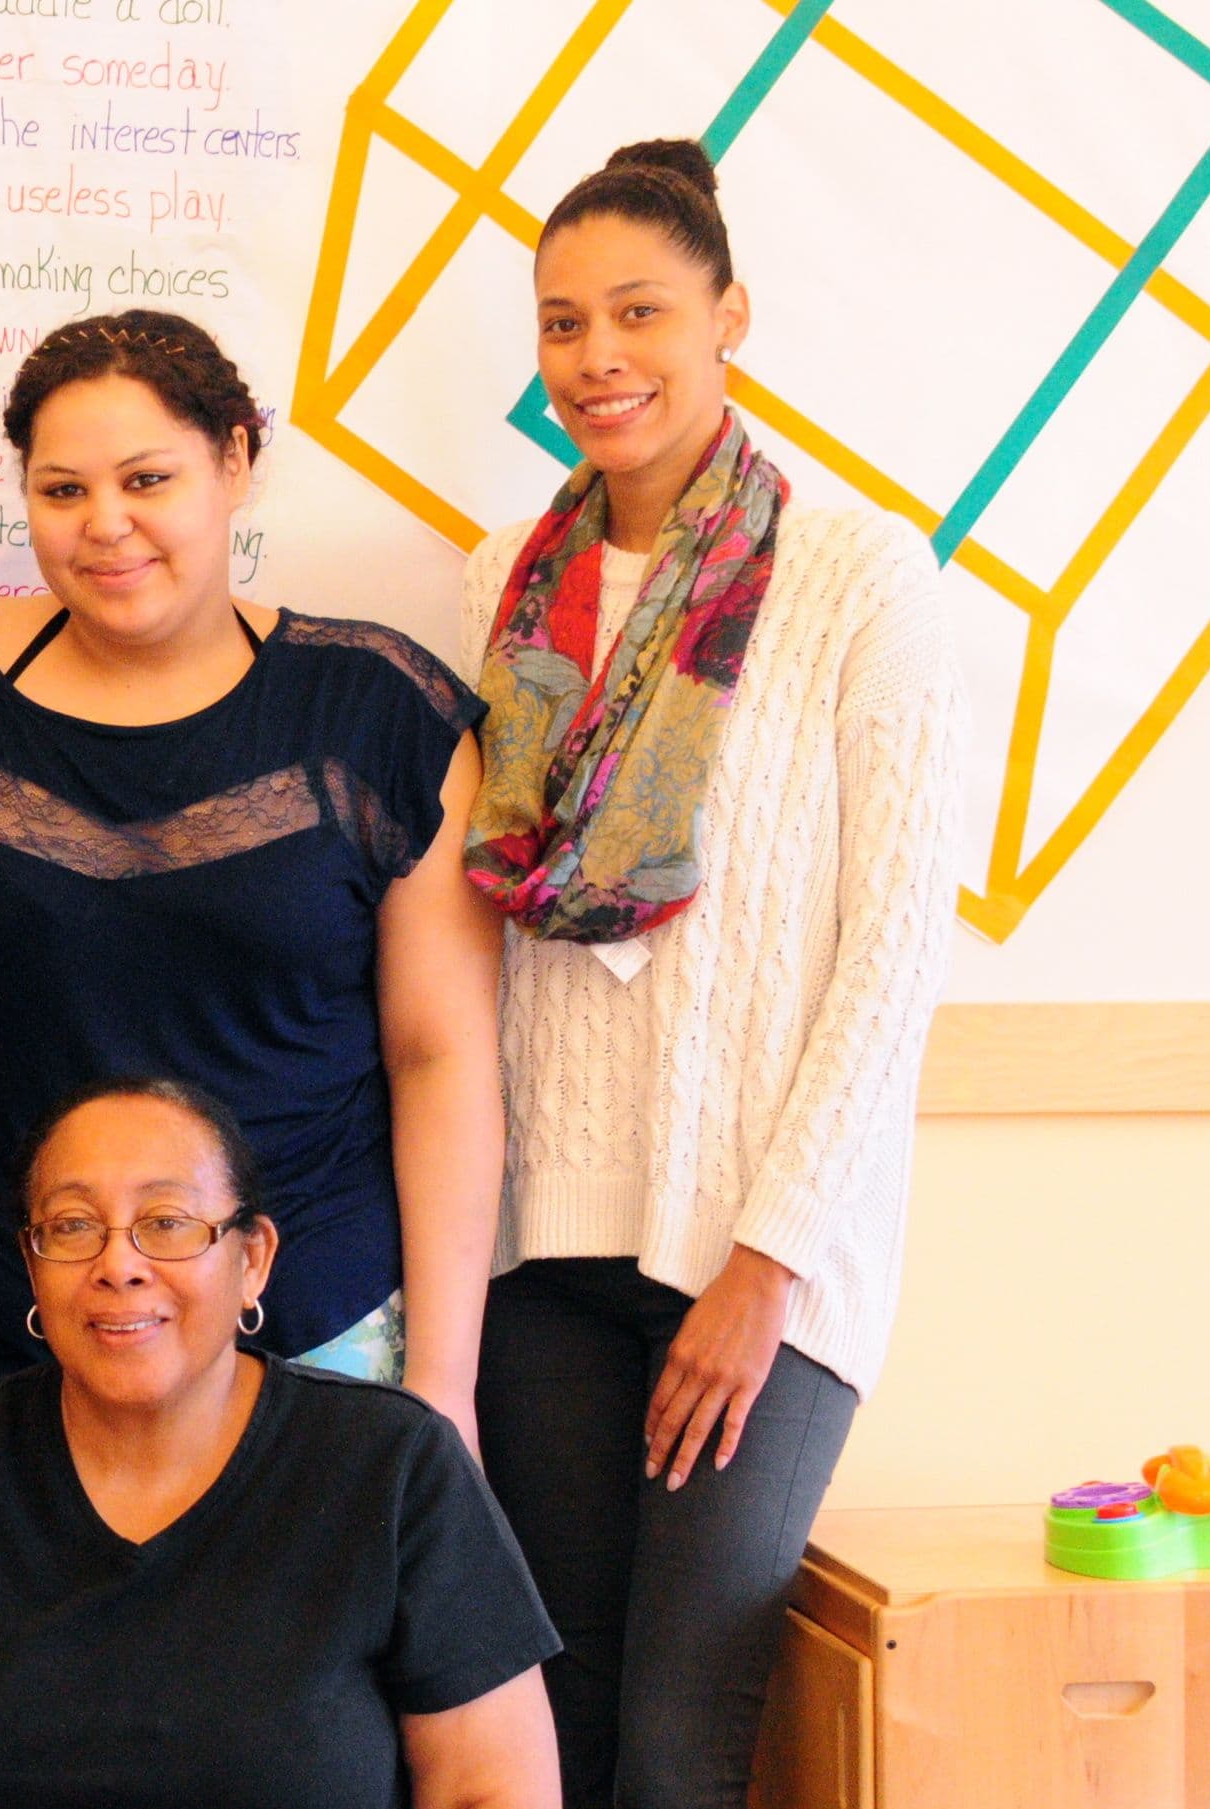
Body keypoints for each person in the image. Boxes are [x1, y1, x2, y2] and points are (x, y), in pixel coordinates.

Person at [459, 141, 963, 1808]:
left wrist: (766, 1265)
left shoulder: (859, 576)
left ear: (727, 315)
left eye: (639, 312)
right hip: (542, 1245)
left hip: (760, 1249)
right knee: (557, 1720)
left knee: (683, 1738)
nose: (596, 356)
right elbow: (480, 927)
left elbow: (893, 947)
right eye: (561, 322)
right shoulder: (499, 583)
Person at [0, 312, 504, 1457]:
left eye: (147, 479)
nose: (105, 524)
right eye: (63, 490)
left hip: (316, 1353)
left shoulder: (379, 712)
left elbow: (440, 1057)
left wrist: (443, 1384)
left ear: (236, 462)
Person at [0, 1078, 564, 1809]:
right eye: (72, 1225)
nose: (119, 1264)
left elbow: (491, 1787)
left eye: (167, 1222)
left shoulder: (394, 1464)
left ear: (253, 1258)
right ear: (31, 1264)